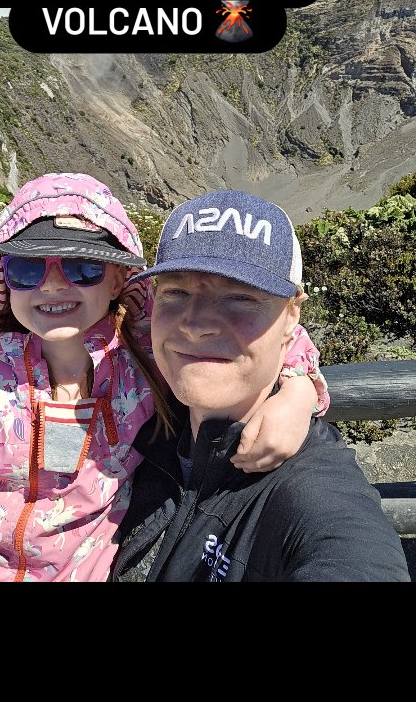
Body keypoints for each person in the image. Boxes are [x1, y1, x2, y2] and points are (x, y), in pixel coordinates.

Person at [0, 173, 327, 583]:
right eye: (28, 270)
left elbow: (271, 334)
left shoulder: (145, 358)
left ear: (120, 278)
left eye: (82, 269)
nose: (52, 286)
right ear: (3, 279)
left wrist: (298, 393)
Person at [111, 189, 410, 582]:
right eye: (176, 292)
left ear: (291, 318)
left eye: (240, 297)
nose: (197, 324)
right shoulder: (137, 412)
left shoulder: (311, 491)